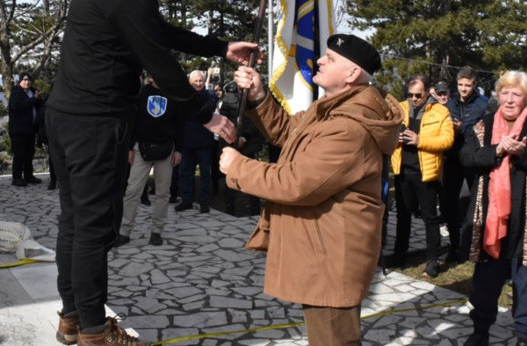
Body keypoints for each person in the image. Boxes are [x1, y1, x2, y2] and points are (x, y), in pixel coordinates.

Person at [45, 0, 255, 346]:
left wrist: (220, 47)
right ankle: (96, 334)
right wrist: (209, 115)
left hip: (67, 117)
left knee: (74, 222)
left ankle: (71, 319)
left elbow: (157, 29)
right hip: (95, 122)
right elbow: (160, 62)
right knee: (95, 229)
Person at [219, 34, 402, 346]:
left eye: (330, 58)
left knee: (333, 340)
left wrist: (238, 167)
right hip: (324, 250)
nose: (320, 60)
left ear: (352, 74)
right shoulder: (333, 108)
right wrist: (260, 95)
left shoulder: (349, 126)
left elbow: (297, 183)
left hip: (332, 257)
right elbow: (291, 132)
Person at [459, 71, 527, 346]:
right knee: (485, 284)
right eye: (505, 93)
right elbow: (467, 158)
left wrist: (524, 153)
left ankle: (526, 336)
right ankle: (480, 331)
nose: (509, 100)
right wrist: (496, 151)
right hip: (491, 221)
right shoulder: (482, 126)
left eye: (516, 94)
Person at [389, 74, 454, 278]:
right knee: (403, 216)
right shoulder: (400, 108)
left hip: (426, 173)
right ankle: (400, 255)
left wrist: (420, 140)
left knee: (429, 218)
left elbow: (447, 141)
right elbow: (385, 131)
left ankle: (432, 261)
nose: (414, 99)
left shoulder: (441, 112)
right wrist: (395, 138)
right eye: (410, 95)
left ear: (428, 93)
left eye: (418, 95)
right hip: (402, 170)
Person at [116, 78, 184, 247]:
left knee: (163, 193)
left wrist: (179, 150)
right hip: (142, 147)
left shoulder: (173, 95)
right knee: (132, 190)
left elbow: (180, 124)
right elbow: (131, 121)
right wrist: (130, 147)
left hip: (166, 148)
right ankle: (124, 231)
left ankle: (157, 231)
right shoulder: (141, 93)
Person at [442, 66, 489, 262]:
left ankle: (477, 247)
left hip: (473, 160)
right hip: (452, 159)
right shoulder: (449, 103)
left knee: (477, 205)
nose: (463, 89)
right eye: (460, 85)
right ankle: (454, 246)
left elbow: (484, 133)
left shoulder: (483, 105)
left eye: (467, 85)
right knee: (450, 205)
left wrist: (463, 130)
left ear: (474, 84)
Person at [175, 70, 216, 214]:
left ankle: (204, 202)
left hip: (204, 142)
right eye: (195, 81)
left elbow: (207, 110)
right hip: (187, 141)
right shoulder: (184, 96)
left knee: (205, 173)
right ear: (189, 82)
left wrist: (195, 114)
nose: (198, 83)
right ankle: (186, 200)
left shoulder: (210, 95)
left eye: (200, 81)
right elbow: (182, 114)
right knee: (186, 172)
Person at [8, 73, 42, 187]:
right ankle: (17, 177)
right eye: (24, 80)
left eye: (28, 80)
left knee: (29, 154)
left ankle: (28, 175)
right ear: (20, 81)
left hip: (30, 129)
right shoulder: (16, 92)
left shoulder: (33, 92)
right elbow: (17, 106)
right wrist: (33, 99)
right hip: (18, 129)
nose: (27, 82)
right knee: (19, 154)